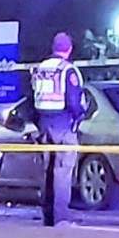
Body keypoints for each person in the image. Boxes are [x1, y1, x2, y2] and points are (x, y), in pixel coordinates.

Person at [32, 32, 85, 227]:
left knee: (47, 171)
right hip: (63, 124)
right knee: (63, 171)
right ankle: (61, 217)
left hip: (44, 123)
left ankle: (48, 216)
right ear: (69, 49)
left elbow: (33, 98)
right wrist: (79, 115)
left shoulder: (39, 68)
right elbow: (73, 100)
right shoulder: (68, 70)